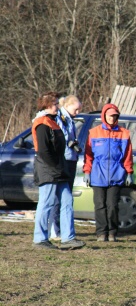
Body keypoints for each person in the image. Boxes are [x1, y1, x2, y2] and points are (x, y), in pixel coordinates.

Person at [32, 92, 85, 250]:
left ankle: (68, 238)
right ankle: (40, 239)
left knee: (67, 200)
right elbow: (43, 150)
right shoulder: (42, 123)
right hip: (48, 169)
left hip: (59, 168)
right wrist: (55, 166)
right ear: (47, 106)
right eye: (55, 104)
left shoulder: (54, 121)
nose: (58, 106)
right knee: (46, 203)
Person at [83, 103, 134, 242]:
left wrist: (129, 172)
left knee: (112, 206)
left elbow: (128, 155)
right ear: (104, 115)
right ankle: (101, 233)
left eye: (115, 116)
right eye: (110, 115)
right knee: (100, 205)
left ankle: (112, 233)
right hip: (98, 175)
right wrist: (87, 172)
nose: (112, 118)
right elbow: (88, 155)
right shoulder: (94, 132)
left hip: (117, 174)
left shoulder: (124, 133)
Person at [49, 95, 83, 241]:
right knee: (59, 196)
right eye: (76, 109)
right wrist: (69, 143)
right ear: (68, 106)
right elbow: (61, 137)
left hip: (71, 159)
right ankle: (54, 230)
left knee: (66, 196)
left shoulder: (70, 120)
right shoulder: (60, 118)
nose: (78, 112)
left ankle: (62, 229)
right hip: (63, 160)